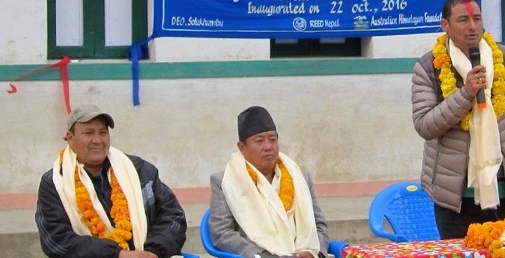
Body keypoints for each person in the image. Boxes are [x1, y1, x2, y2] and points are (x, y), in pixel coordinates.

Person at [411, 0, 505, 238]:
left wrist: (493, 136)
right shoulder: (429, 67)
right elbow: (425, 125)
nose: (472, 26)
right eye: (463, 20)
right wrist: (465, 94)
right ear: (445, 25)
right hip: (455, 195)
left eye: (477, 18)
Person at [36, 105, 187, 258]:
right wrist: (118, 255)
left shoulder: (139, 170)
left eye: (103, 132)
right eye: (89, 133)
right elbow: (55, 240)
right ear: (70, 138)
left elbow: (173, 217)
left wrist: (153, 252)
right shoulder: (55, 183)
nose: (97, 140)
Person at [209, 106, 330, 258]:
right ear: (242, 147)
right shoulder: (225, 181)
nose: (268, 147)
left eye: (272, 139)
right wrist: (262, 256)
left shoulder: (300, 177)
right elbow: (222, 234)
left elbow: (319, 226)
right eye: (259, 141)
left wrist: (313, 253)